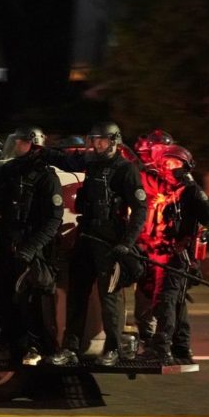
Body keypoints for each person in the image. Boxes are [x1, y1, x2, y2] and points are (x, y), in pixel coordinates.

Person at [43, 122, 147, 366]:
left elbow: (141, 209)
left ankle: (113, 349)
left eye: (101, 140)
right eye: (94, 140)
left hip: (110, 241)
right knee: (76, 294)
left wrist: (126, 243)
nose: (96, 144)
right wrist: (42, 150)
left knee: (109, 297)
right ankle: (70, 348)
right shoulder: (92, 162)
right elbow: (67, 161)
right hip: (86, 236)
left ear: (114, 141)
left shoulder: (126, 169)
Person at [0, 127, 63, 366]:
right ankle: (4, 343)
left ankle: (36, 346)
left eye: (21, 142)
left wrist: (32, 248)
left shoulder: (47, 177)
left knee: (32, 303)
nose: (15, 146)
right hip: (7, 246)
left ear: (33, 145)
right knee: (2, 298)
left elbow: (53, 220)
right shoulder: (12, 170)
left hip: (32, 251)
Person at [138, 145, 209, 363]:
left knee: (164, 300)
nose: (169, 166)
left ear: (186, 166)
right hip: (156, 255)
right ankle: (182, 347)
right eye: (166, 163)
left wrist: (207, 233)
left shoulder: (192, 191)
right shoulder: (163, 187)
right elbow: (142, 174)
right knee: (176, 302)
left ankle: (161, 349)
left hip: (176, 256)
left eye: (175, 163)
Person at [132, 129, 175, 346]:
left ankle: (167, 341)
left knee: (167, 297)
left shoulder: (174, 175)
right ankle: (148, 336)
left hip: (167, 247)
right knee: (146, 291)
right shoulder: (143, 174)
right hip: (147, 243)